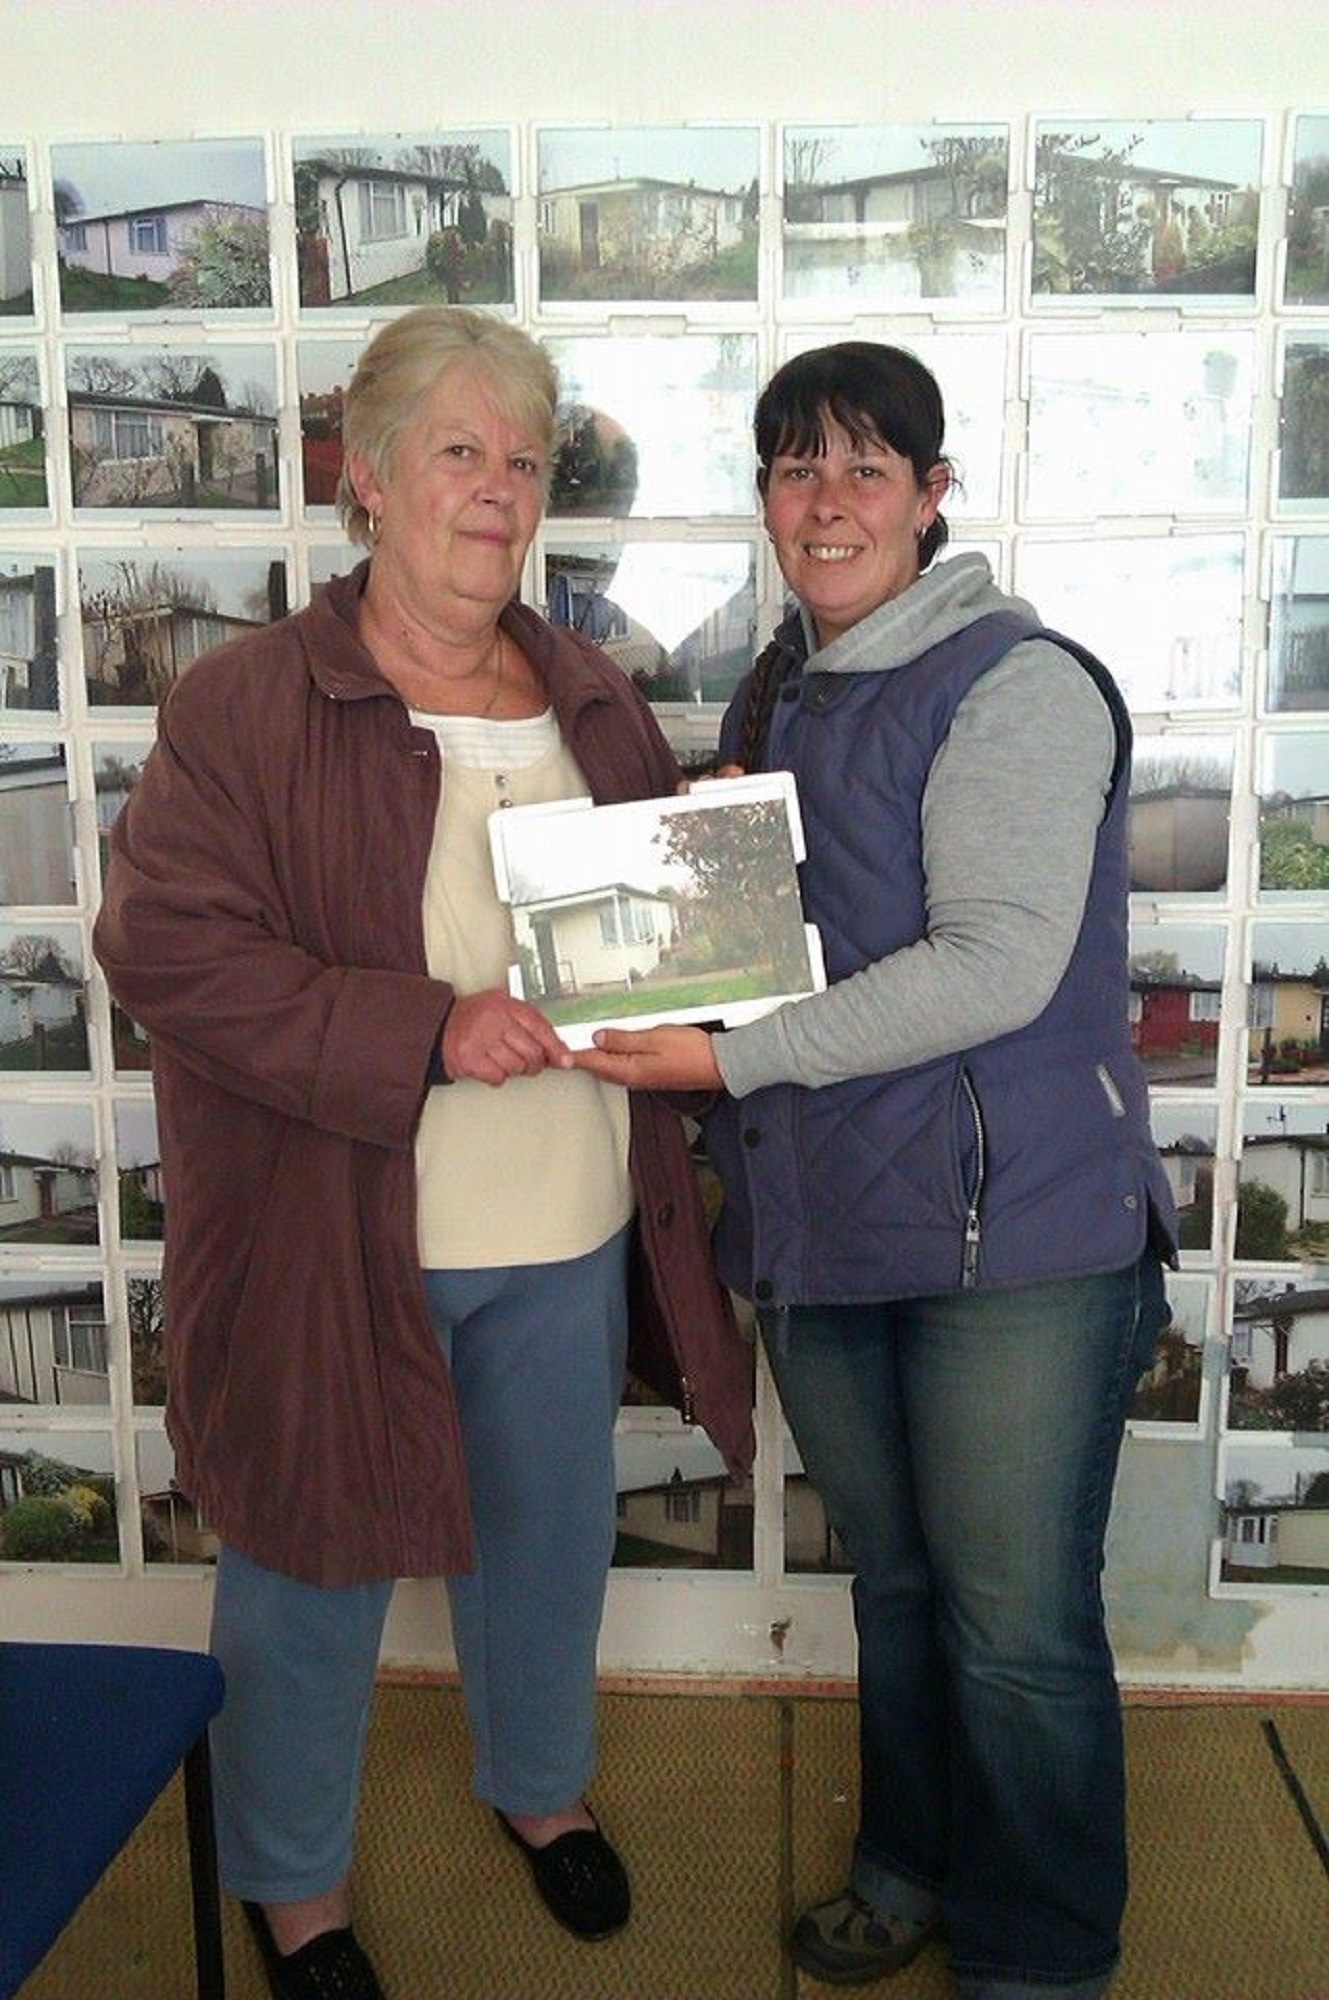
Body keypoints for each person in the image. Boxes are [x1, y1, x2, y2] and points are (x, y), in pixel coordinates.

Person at [93, 305, 753, 2000]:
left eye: (522, 460)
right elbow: (168, 953)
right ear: (367, 481)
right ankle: (292, 1884)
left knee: (548, 1547)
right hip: (339, 1233)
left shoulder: (587, 688)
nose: (497, 490)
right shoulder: (243, 704)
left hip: (568, 1218)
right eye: (458, 452)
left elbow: (638, 953)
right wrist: (424, 1027)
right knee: (310, 1565)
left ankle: (539, 1792)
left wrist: (711, 879)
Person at [573, 341, 1177, 2000]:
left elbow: (990, 967)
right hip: (827, 1219)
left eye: (860, 466)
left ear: (930, 492)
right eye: (791, 467)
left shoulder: (1015, 682)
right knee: (900, 1586)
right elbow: (791, 929)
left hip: (1019, 1243)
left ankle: (1040, 1950)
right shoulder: (782, 681)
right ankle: (907, 1864)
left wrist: (718, 1059)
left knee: (1016, 1625)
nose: (822, 501)